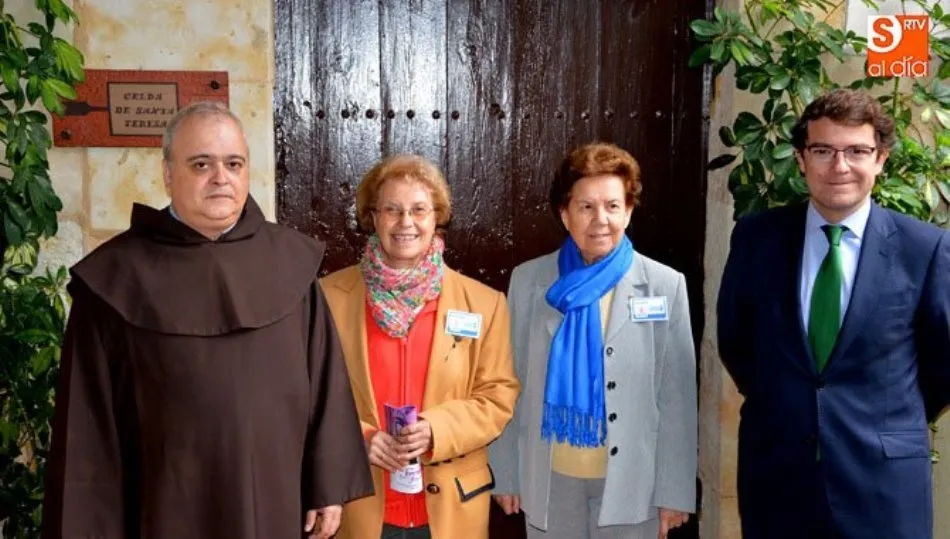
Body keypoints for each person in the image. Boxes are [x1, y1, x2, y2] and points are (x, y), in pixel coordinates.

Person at [41, 101, 374, 539]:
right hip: (158, 506)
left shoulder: (290, 264)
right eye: (202, 164)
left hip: (272, 502)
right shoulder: (114, 279)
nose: (221, 178)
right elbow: (86, 425)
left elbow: (325, 383)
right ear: (167, 174)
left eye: (233, 163)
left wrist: (326, 484)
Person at [717, 88, 950, 539]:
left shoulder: (925, 248)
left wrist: (883, 416)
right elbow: (737, 341)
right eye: (823, 150)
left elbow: (942, 361)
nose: (839, 166)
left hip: (883, 487)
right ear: (802, 159)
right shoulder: (756, 238)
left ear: (880, 159)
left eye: (857, 151)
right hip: (778, 478)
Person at [490, 142, 697, 539]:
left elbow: (677, 399)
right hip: (549, 478)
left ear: (630, 210)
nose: (600, 220)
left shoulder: (664, 285)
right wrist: (505, 474)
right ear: (565, 214)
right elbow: (509, 379)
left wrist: (675, 492)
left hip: (635, 485)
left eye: (613, 206)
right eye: (586, 207)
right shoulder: (529, 281)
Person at [319, 154, 520, 539]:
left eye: (418, 210)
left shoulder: (483, 303)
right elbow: (307, 393)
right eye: (391, 209)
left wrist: (436, 430)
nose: (405, 222)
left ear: (436, 217)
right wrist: (358, 437)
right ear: (373, 217)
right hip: (360, 502)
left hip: (451, 508)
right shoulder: (328, 297)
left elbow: (498, 396)